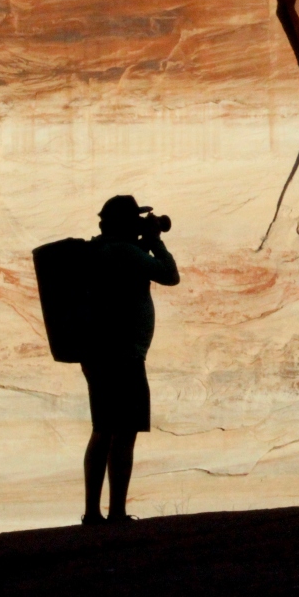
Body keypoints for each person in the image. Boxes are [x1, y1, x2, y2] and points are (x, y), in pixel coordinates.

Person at [80, 194, 179, 525]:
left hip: (98, 352)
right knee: (123, 433)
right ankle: (117, 512)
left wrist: (146, 242)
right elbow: (169, 275)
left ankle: (93, 513)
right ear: (125, 223)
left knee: (103, 429)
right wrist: (154, 242)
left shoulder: (99, 250)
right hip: (123, 356)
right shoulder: (123, 251)